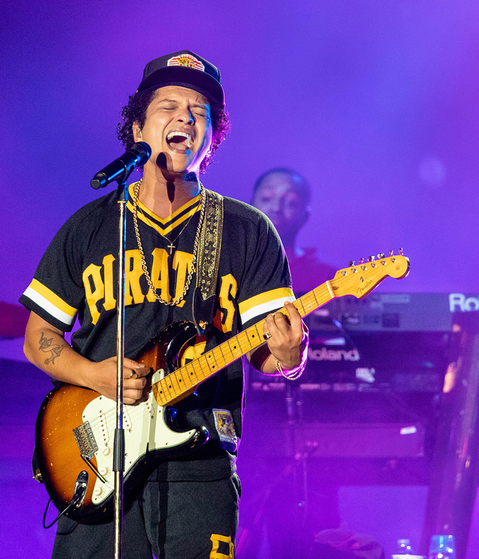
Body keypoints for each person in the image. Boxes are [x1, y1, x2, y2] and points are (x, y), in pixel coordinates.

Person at [19, 50, 308, 559]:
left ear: (211, 139)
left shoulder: (247, 230)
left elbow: (268, 353)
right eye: (169, 106)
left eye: (199, 112)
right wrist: (93, 375)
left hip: (201, 462)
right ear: (137, 129)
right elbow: (38, 338)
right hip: (99, 460)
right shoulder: (90, 225)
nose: (185, 118)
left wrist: (290, 355)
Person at [251, 168, 338, 293]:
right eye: (266, 198)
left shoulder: (329, 279)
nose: (276, 208)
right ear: (249, 207)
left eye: (291, 202)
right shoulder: (230, 264)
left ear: (305, 217)